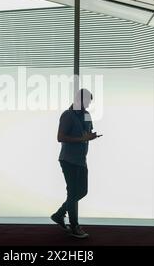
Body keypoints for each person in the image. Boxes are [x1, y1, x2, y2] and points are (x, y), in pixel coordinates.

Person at [51, 88, 100, 239]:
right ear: (79, 99)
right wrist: (82, 139)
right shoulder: (67, 115)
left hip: (81, 159)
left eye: (89, 103)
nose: (88, 105)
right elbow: (60, 137)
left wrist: (90, 135)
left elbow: (86, 132)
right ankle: (74, 226)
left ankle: (59, 214)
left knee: (82, 191)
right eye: (86, 102)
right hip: (68, 159)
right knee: (73, 193)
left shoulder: (86, 115)